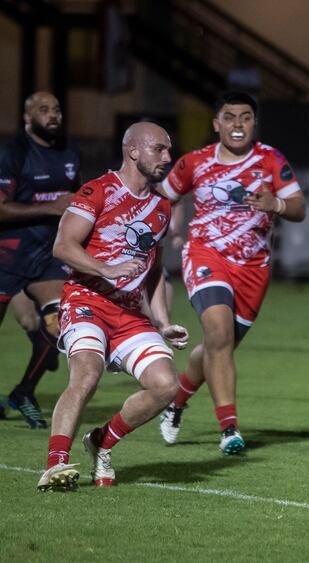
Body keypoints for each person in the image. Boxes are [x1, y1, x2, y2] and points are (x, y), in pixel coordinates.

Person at [37, 122, 189, 491]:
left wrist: (163, 321)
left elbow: (153, 271)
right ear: (133, 151)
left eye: (169, 150)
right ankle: (55, 463)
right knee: (87, 374)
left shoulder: (161, 208)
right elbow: (63, 246)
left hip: (130, 314)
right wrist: (106, 268)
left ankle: (101, 442)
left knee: (167, 386)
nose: (168, 158)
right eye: (160, 149)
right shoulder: (98, 191)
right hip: (86, 300)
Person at [157, 92, 306, 455]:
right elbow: (161, 198)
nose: (237, 124)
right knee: (219, 334)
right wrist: (162, 233)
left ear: (254, 123)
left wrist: (278, 204)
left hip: (253, 269)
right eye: (229, 117)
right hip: (206, 255)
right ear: (216, 124)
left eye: (245, 117)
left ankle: (175, 402)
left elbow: (299, 208)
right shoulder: (194, 162)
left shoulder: (270, 159)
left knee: (214, 347)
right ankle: (229, 429)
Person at [0, 92, 81, 428]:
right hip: (7, 253)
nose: (53, 115)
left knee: (62, 327)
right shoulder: (12, 153)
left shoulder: (68, 152)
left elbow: (77, 202)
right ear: (27, 117)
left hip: (48, 255)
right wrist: (52, 207)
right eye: (44, 110)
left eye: (57, 109)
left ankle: (23, 392)